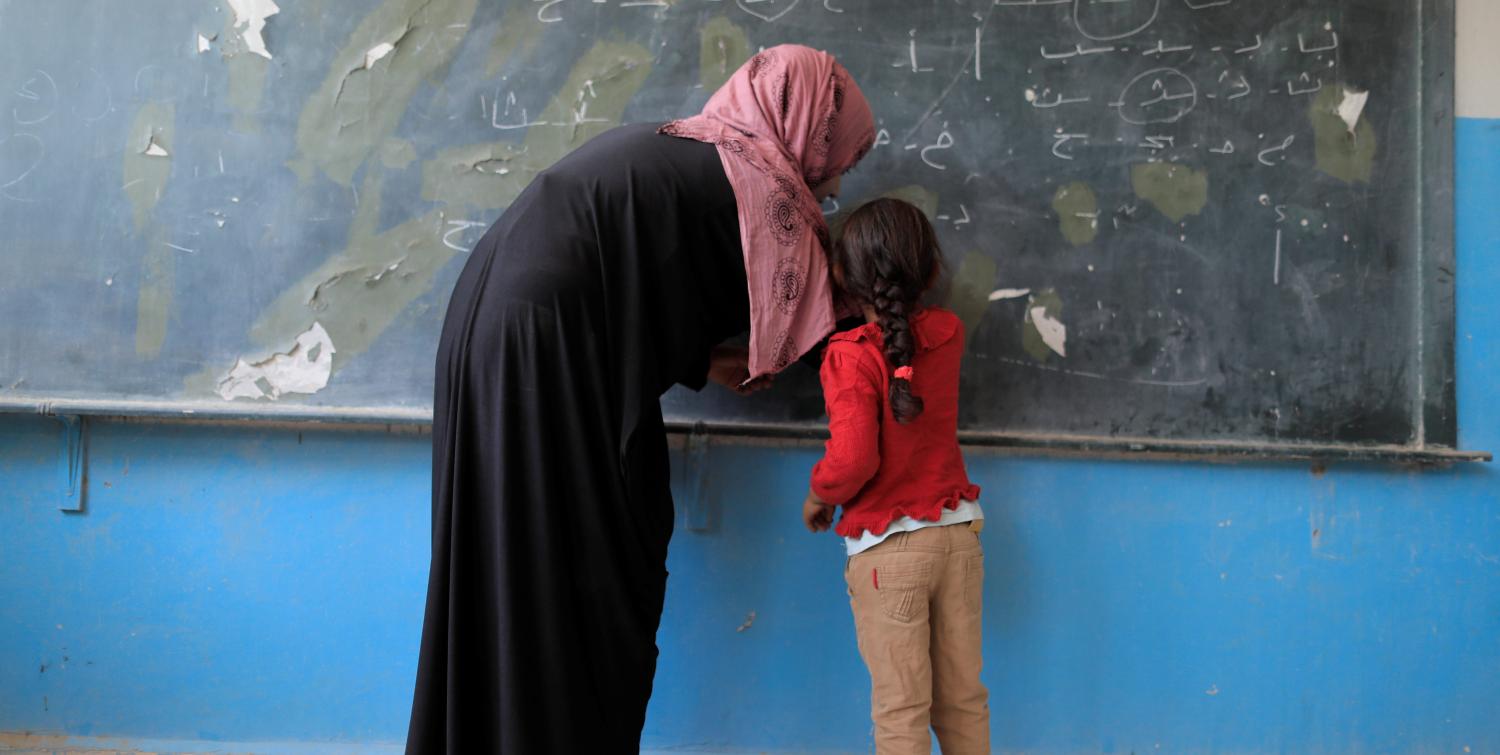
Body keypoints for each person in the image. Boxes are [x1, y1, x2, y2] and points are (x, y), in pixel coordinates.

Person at [406, 45, 875, 753]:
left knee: (511, 559)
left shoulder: (699, 150)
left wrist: (696, 357)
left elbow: (636, 278)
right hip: (546, 345)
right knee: (583, 574)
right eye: (842, 157)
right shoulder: (766, 193)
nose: (837, 181)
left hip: (493, 326)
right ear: (807, 127)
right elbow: (824, 324)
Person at [801, 198, 990, 755]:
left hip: (888, 551)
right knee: (962, 700)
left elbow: (855, 458)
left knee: (901, 709)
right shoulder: (948, 333)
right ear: (931, 270)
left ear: (840, 276)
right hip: (959, 537)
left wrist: (819, 492)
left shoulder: (849, 355)